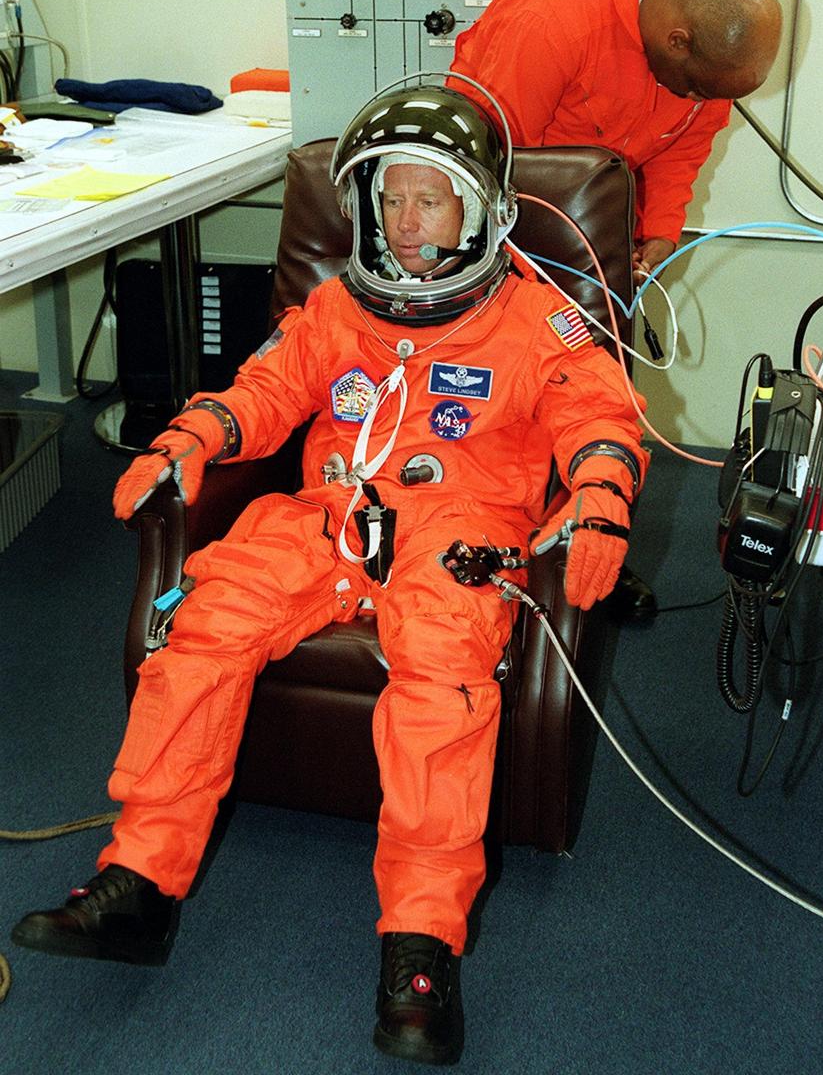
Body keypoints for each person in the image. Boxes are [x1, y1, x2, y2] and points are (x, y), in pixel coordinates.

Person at [11, 84, 648, 1066]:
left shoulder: (537, 317)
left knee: (439, 678)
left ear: (479, 206)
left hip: (459, 533)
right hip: (329, 517)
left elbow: (598, 415)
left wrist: (600, 498)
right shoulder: (334, 306)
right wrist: (196, 433)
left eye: (428, 197)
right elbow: (265, 388)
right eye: (388, 198)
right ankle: (139, 881)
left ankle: (420, 946)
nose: (404, 220)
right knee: (207, 620)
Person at [451, 0, 782, 622]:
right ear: (678, 42)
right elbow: (478, 155)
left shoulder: (702, 50)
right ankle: (488, 548)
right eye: (694, 84)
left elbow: (685, 142)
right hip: (508, 244)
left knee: (596, 410)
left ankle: (590, 551)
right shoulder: (556, 11)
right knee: (507, 405)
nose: (698, 99)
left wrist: (658, 231)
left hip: (594, 248)